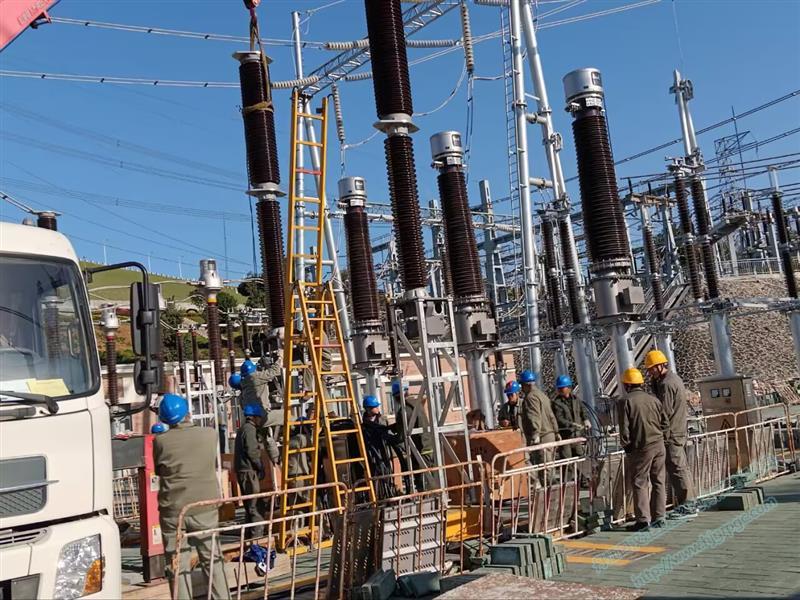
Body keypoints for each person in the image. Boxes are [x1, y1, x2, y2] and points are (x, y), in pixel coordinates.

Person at [153, 394, 230, 600]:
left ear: (164, 418)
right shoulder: (209, 435)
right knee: (212, 558)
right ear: (188, 412)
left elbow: (160, 470)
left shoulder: (160, 441)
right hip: (205, 506)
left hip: (173, 510)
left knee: (177, 563)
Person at [644, 350, 697, 518]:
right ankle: (688, 503)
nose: (650, 372)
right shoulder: (674, 379)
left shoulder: (666, 384)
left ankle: (687, 506)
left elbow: (664, 412)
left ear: (661, 366)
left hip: (672, 433)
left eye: (652, 369)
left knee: (677, 468)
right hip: (678, 430)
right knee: (680, 467)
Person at [618, 368, 668, 532]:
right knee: (658, 481)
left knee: (640, 482)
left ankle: (643, 520)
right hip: (659, 444)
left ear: (627, 385)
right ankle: (660, 517)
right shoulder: (653, 399)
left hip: (641, 447)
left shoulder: (625, 401)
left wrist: (628, 447)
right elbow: (665, 423)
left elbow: (624, 429)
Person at [234, 403, 278, 540]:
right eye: (259, 418)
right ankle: (256, 540)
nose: (260, 420)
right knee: (255, 507)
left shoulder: (244, 429)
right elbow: (252, 451)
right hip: (249, 472)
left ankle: (249, 538)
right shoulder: (249, 430)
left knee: (249, 507)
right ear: (254, 417)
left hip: (244, 470)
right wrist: (260, 466)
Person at [392, 379, 434, 492]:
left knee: (421, 482)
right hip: (429, 446)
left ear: (396, 396)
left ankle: (423, 498)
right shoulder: (417, 404)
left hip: (419, 450)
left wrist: (389, 437)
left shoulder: (403, 411)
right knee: (432, 480)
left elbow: (401, 436)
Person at [518, 370, 559, 473]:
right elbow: (551, 415)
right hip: (550, 434)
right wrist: (556, 431)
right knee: (549, 467)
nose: (521, 388)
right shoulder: (542, 395)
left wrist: (535, 433)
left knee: (544, 469)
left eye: (522, 385)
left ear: (526, 385)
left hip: (542, 436)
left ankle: (549, 484)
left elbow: (534, 416)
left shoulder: (530, 397)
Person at [361, 395, 402, 499]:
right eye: (375, 407)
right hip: (371, 455)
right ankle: (377, 498)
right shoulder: (363, 425)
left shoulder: (383, 421)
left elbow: (389, 436)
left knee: (387, 473)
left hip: (384, 453)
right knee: (374, 476)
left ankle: (389, 495)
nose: (378, 408)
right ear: (368, 409)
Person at [551, 375, 591, 459]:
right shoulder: (556, 402)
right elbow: (559, 418)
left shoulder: (576, 400)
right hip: (565, 436)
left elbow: (582, 410)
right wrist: (571, 424)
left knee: (579, 456)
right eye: (559, 388)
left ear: (569, 388)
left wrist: (586, 419)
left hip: (576, 435)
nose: (560, 390)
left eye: (562, 388)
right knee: (567, 458)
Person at [240, 352, 283, 428]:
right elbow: (274, 372)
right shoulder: (255, 377)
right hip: (261, 416)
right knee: (287, 415)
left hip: (251, 419)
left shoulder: (243, 383)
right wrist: (279, 359)